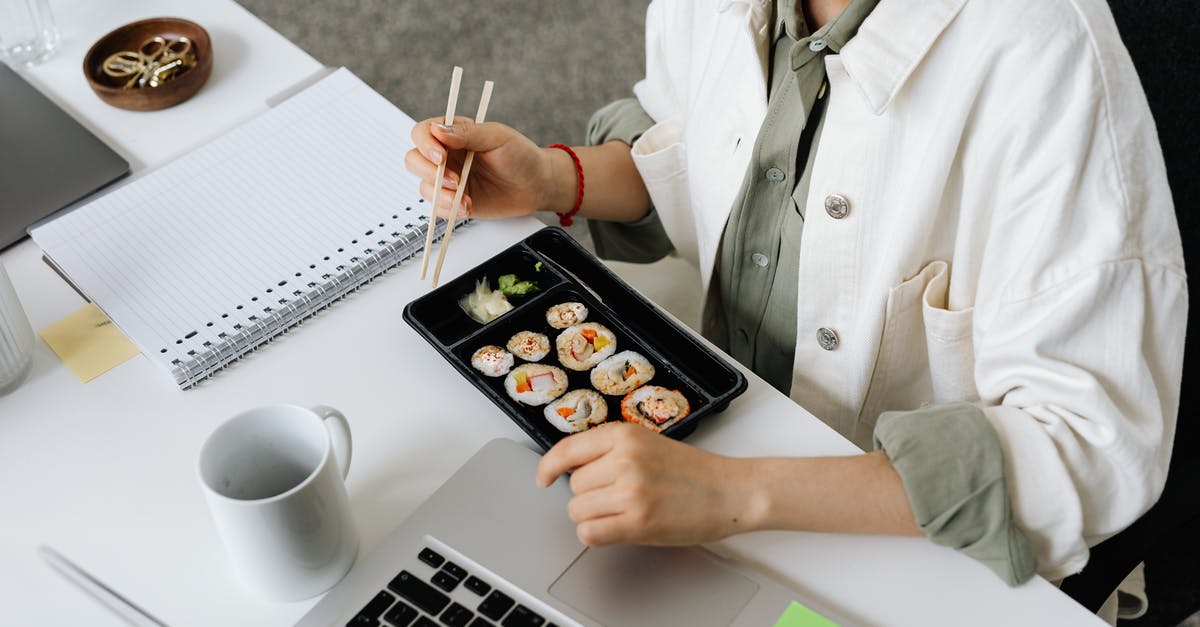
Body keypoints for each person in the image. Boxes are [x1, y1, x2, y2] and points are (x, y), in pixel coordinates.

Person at [405, 0, 1186, 598]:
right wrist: (555, 177)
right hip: (703, 454)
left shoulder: (1044, 57)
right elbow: (696, 150)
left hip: (895, 546)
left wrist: (732, 494)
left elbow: (1087, 444)